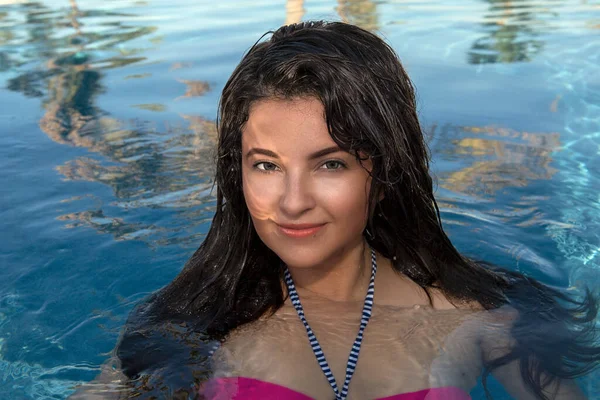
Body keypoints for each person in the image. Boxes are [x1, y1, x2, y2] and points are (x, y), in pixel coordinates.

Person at [71, 21, 600, 400]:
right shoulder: (186, 326)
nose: (293, 202)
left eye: (330, 165)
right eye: (266, 166)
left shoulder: (480, 320)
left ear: (386, 173)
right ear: (239, 174)